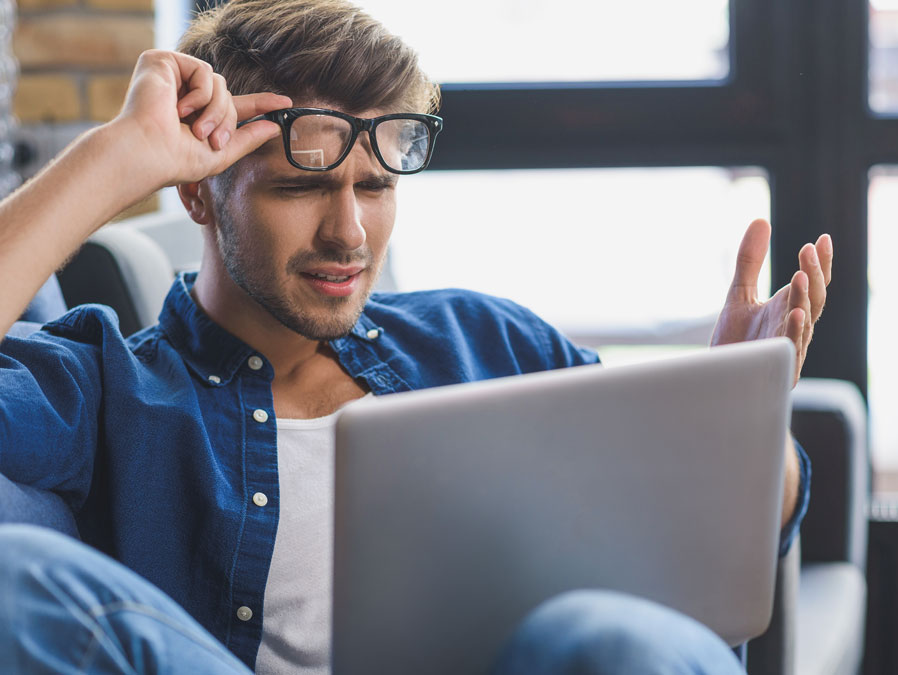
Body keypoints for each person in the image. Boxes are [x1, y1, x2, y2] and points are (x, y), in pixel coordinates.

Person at [0, 1, 829, 673]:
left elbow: (731, 548)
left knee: (609, 635)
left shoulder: (485, 341)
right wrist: (118, 156)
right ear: (198, 195)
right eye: (301, 187)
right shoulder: (109, 384)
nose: (350, 234)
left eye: (375, 187)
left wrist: (738, 422)